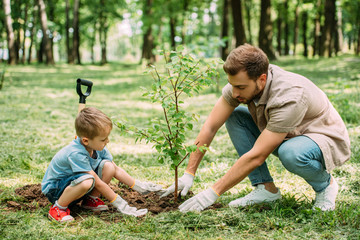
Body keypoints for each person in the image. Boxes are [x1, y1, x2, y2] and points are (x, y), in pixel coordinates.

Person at [161, 44, 351, 212]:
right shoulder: (240, 84)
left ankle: (325, 186)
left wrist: (213, 192)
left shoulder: (289, 96)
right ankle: (265, 189)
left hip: (321, 136)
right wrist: (189, 173)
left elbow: (258, 155)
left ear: (261, 79)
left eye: (241, 88)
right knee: (236, 117)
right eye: (231, 85)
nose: (235, 93)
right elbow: (211, 126)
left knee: (290, 153)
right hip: (287, 132)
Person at [42, 107, 163, 222]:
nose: (107, 141)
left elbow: (115, 169)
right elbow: (98, 183)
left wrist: (140, 186)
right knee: (88, 181)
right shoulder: (75, 153)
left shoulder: (96, 146)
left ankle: (90, 200)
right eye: (103, 139)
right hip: (56, 190)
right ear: (85, 140)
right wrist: (121, 204)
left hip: (73, 185)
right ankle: (58, 208)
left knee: (109, 166)